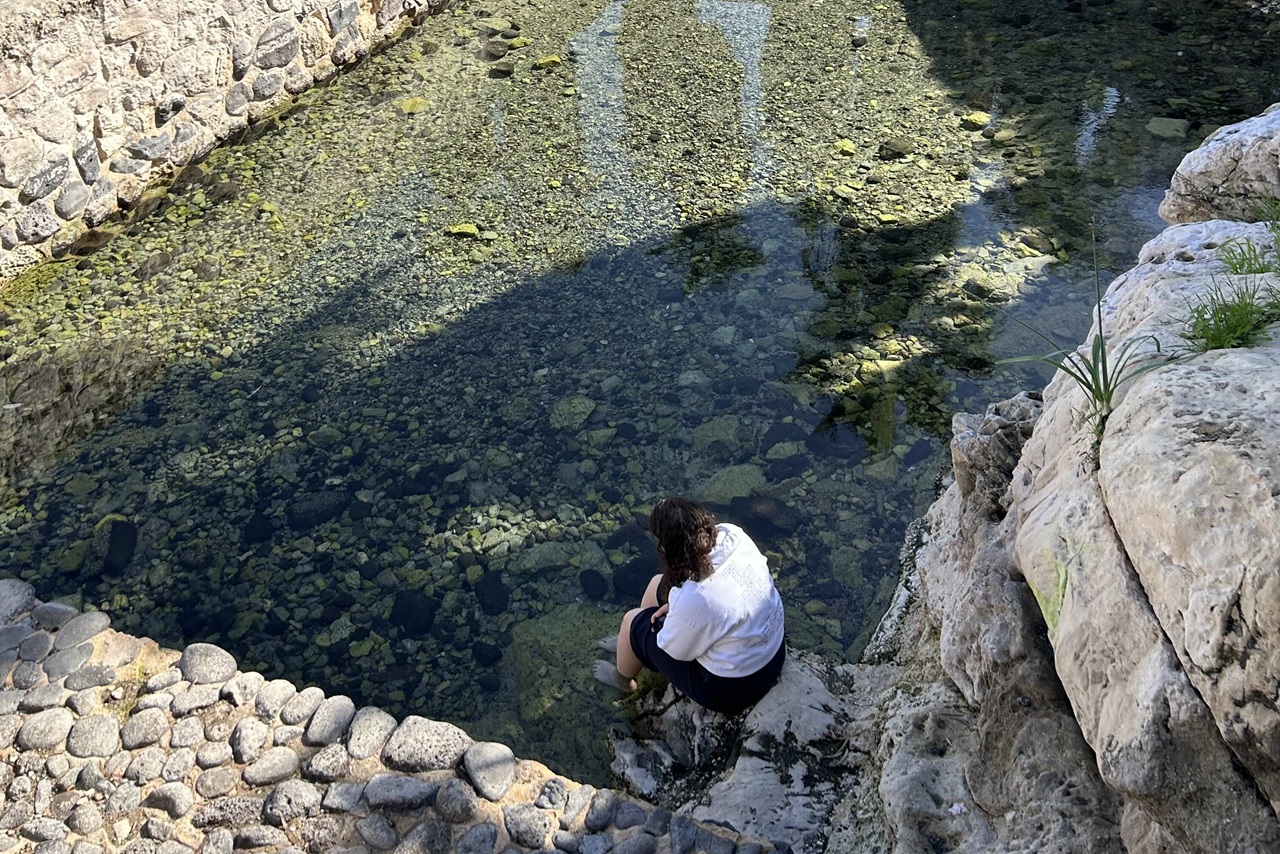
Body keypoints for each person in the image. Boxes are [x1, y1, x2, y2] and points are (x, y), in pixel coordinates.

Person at [593, 496, 785, 715]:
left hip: (736, 688)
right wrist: (680, 610)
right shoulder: (734, 535)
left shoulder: (697, 597)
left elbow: (676, 651)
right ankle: (632, 647)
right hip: (773, 653)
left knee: (631, 621)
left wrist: (678, 617)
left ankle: (624, 681)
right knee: (657, 583)